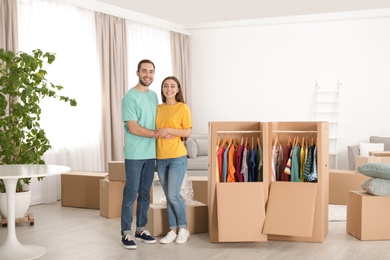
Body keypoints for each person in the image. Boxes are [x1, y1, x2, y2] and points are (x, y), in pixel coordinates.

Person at [121, 59, 158, 249]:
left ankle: (141, 228)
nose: (148, 75)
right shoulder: (130, 97)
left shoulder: (153, 96)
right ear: (137, 73)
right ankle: (126, 232)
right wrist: (157, 134)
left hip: (151, 153)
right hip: (135, 154)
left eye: (151, 72)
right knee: (131, 192)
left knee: (145, 193)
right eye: (144, 71)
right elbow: (133, 128)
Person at [153, 76, 192, 244]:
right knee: (169, 196)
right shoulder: (157, 108)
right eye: (166, 86)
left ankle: (183, 228)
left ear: (177, 89)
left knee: (173, 195)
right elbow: (154, 130)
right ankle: (172, 230)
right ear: (162, 89)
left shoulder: (183, 108)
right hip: (161, 158)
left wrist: (169, 130)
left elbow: (187, 132)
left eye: (172, 86)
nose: (169, 89)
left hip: (177, 157)